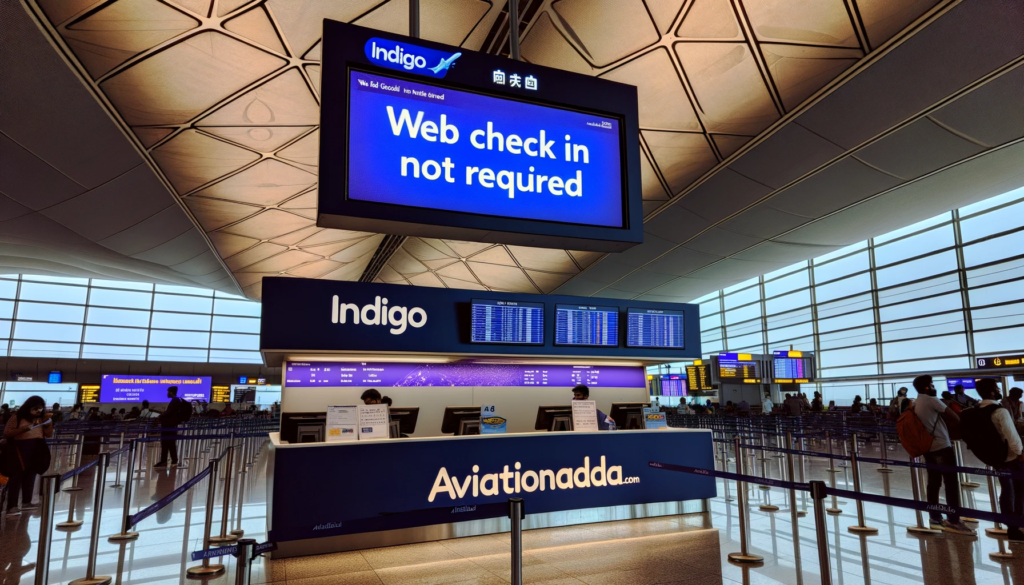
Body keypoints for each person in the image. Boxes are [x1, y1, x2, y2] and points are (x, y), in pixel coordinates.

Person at [912, 374, 974, 534]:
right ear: (927, 387)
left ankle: (935, 517)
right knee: (951, 483)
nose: (934, 387)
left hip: (928, 447)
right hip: (941, 446)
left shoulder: (918, 401)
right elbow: (955, 417)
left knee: (934, 482)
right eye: (932, 385)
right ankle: (953, 520)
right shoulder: (932, 400)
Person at [967, 378, 1024, 540]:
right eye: (997, 387)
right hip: (1011, 457)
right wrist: (1020, 453)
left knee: (1007, 490)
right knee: (1019, 490)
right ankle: (1017, 524)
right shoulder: (1000, 411)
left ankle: (1011, 525)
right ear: (992, 392)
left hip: (995, 457)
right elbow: (1012, 436)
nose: (999, 390)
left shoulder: (977, 410)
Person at [3, 396, 53, 517]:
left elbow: (49, 434)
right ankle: (12, 506)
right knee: (16, 476)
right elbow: (7, 433)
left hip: (37, 448)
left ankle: (27, 502)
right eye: (35, 409)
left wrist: (48, 424)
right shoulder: (17, 417)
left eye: (40, 409)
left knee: (31, 475)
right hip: (19, 449)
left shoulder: (42, 418)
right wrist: (23, 429)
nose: (38, 411)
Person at [155, 386, 188, 469]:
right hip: (170, 425)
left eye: (168, 392)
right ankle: (168, 460)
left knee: (168, 443)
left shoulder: (175, 400)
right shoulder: (176, 400)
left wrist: (161, 416)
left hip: (169, 425)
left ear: (171, 392)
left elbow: (170, 412)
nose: (167, 393)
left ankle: (169, 460)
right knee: (169, 443)